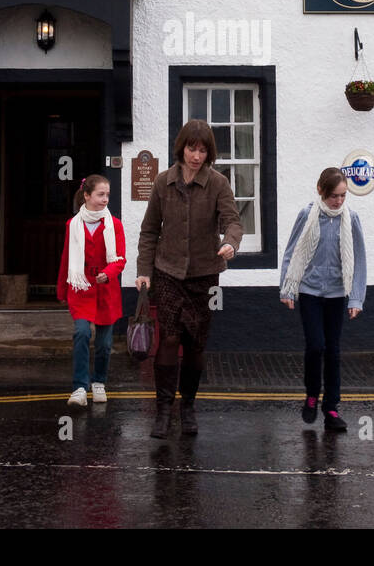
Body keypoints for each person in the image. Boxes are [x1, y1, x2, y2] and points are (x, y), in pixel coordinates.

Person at [136, 119, 242, 438]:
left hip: (204, 277)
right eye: (191, 148)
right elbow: (150, 230)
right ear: (181, 147)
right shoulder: (162, 182)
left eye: (203, 150)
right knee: (168, 339)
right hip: (167, 273)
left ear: (209, 153)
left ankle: (188, 407)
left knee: (195, 345)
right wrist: (143, 271)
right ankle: (164, 410)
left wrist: (229, 243)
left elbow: (233, 221)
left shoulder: (218, 183)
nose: (196, 155)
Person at [280, 167, 367, 432]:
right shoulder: (308, 215)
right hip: (309, 291)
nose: (338, 201)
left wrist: (356, 298)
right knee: (315, 346)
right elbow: (291, 252)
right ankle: (310, 395)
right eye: (333, 196)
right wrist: (287, 288)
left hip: (337, 293)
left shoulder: (350, 219)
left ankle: (331, 408)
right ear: (321, 191)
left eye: (343, 196)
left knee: (333, 350)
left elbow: (359, 260)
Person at [57, 174, 127, 407]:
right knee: (82, 333)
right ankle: (79, 387)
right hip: (81, 287)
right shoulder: (73, 224)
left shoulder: (114, 224)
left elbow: (120, 258)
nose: (105, 199)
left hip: (106, 289)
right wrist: (61, 290)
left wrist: (109, 272)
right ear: (86, 196)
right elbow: (67, 259)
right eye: (100, 194)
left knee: (105, 343)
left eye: (107, 194)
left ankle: (99, 382)